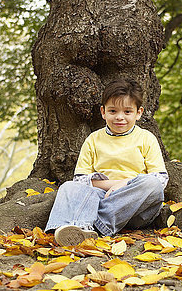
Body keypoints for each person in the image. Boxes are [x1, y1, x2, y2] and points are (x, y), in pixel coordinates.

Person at [46, 78, 168, 246]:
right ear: (103, 112)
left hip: (132, 205)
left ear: (138, 113)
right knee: (69, 187)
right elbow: (81, 179)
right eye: (112, 111)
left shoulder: (146, 138)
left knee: (151, 184)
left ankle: (93, 225)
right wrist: (111, 186)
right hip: (100, 198)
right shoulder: (93, 140)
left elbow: (160, 179)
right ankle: (72, 230)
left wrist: (123, 185)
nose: (119, 117)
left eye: (127, 112)